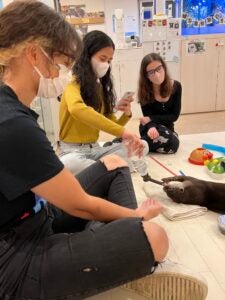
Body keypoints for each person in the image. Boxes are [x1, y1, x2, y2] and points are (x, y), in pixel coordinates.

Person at [0, 1, 169, 299]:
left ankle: (104, 243)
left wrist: (124, 117)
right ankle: (111, 246)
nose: (63, 71)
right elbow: (81, 204)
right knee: (155, 237)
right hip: (16, 261)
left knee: (115, 162)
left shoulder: (16, 110)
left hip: (39, 216)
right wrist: (136, 216)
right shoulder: (13, 122)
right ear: (34, 54)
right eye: (61, 62)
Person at [59, 30, 150, 178]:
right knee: (70, 163)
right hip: (72, 151)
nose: (106, 64)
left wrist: (126, 115)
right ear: (86, 55)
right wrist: (123, 133)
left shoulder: (99, 87)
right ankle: (112, 167)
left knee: (143, 145)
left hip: (95, 149)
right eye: (102, 58)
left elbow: (110, 122)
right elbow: (77, 109)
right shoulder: (72, 82)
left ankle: (104, 169)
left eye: (109, 61)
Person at [138, 53, 182, 154]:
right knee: (167, 141)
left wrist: (151, 118)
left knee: (173, 143)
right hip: (149, 127)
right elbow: (146, 118)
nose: (157, 75)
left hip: (167, 130)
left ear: (164, 68)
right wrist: (151, 126)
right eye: (151, 72)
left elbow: (174, 116)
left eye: (159, 69)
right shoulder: (144, 91)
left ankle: (140, 144)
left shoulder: (176, 86)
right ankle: (143, 144)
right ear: (146, 76)